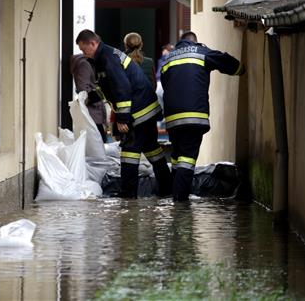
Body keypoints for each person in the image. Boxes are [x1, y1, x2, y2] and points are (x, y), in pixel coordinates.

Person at [76, 29, 173, 198]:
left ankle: (129, 195)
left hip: (138, 112)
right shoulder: (104, 56)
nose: (84, 54)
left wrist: (122, 118)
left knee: (129, 152)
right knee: (152, 150)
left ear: (93, 43)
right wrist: (92, 97)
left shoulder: (106, 57)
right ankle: (166, 189)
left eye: (85, 50)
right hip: (146, 110)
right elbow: (108, 85)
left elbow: (122, 87)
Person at [161, 31, 245, 201]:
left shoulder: (168, 59)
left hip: (172, 119)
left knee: (177, 157)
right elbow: (224, 60)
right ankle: (180, 203)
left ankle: (174, 195)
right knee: (187, 159)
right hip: (194, 116)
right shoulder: (200, 52)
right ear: (194, 42)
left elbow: (165, 84)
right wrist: (241, 69)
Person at [69, 54, 108, 142]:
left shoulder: (89, 63)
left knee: (100, 144)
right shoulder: (84, 65)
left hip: (94, 112)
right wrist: (100, 94)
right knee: (100, 144)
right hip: (92, 113)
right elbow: (83, 92)